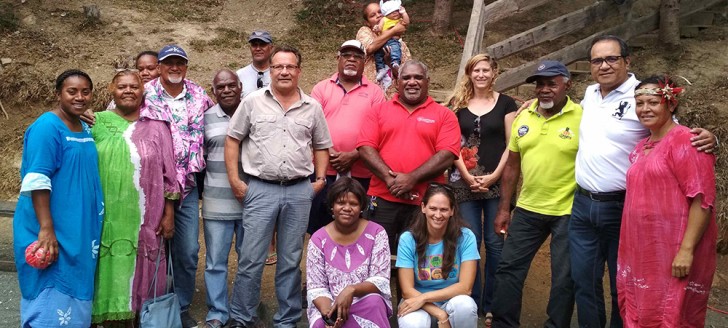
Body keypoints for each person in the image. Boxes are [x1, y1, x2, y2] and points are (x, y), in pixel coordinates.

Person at [570, 35, 716, 328]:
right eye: (597, 60)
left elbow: (695, 177)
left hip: (621, 207)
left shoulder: (643, 96)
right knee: (584, 280)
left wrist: (713, 140)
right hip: (584, 205)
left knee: (624, 283)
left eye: (612, 58)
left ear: (627, 61)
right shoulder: (589, 94)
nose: (605, 65)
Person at [225, 45, 333, 327]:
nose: (284, 71)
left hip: (299, 191)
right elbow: (233, 139)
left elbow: (322, 145)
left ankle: (286, 319)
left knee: (290, 259)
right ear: (270, 70)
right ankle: (241, 317)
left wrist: (320, 180)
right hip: (260, 189)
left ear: (298, 71)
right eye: (278, 67)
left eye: (290, 66)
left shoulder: (313, 107)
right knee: (250, 259)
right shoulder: (252, 101)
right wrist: (236, 181)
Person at [617, 76, 717, 327]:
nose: (644, 109)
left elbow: (702, 200)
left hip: (673, 248)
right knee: (642, 308)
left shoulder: (687, 141)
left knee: (669, 312)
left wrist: (686, 250)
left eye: (652, 102)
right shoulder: (642, 146)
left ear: (671, 105)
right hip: (642, 247)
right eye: (639, 103)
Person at [491, 60, 579, 327]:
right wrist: (505, 208)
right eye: (540, 84)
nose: (544, 89)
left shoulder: (583, 117)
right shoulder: (524, 118)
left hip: (568, 211)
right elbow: (512, 167)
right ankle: (504, 324)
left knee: (564, 276)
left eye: (552, 83)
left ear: (567, 84)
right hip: (528, 209)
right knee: (509, 270)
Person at [14, 69, 104, 327]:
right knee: (51, 290)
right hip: (52, 227)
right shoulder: (47, 127)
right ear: (58, 94)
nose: (79, 97)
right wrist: (46, 228)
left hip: (78, 231)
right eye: (72, 91)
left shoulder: (83, 125)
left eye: (85, 92)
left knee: (75, 293)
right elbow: (38, 180)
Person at [90, 68, 179, 326]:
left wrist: (168, 214)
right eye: (122, 86)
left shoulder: (158, 126)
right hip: (107, 216)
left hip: (146, 217)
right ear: (111, 90)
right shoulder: (94, 123)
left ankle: (143, 319)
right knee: (107, 267)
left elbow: (169, 173)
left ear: (143, 92)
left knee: (145, 270)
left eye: (134, 86)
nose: (128, 91)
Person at [141, 44, 215, 328]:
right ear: (159, 66)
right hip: (150, 183)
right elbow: (116, 117)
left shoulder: (199, 94)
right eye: (168, 63)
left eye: (179, 63)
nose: (174, 68)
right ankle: (148, 303)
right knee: (150, 244)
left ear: (185, 66)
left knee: (187, 249)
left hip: (186, 185)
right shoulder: (144, 93)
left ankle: (180, 304)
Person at [356, 60, 460, 254]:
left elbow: (447, 155)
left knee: (417, 260)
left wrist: (412, 178)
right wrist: (391, 180)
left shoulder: (445, 115)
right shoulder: (379, 110)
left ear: (427, 82)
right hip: (383, 197)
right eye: (406, 77)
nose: (412, 82)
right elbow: (365, 147)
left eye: (418, 77)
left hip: (427, 203)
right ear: (397, 82)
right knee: (377, 257)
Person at [446, 53, 516, 323]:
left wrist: (494, 175)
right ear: (469, 73)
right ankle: (470, 300)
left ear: (494, 72)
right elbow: (452, 144)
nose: (481, 75)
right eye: (476, 70)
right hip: (463, 184)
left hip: (496, 184)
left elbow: (512, 145)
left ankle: (493, 304)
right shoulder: (457, 103)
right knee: (469, 243)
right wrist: (466, 175)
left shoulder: (506, 104)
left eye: (486, 70)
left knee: (496, 244)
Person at [307, 39, 386, 235]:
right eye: (346, 55)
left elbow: (379, 129)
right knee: (320, 225)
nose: (351, 59)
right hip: (324, 171)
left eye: (357, 56)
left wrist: (354, 154)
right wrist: (329, 152)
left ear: (365, 61)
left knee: (356, 225)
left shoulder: (375, 92)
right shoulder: (321, 88)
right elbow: (310, 125)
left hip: (361, 172)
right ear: (338, 58)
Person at [306, 177, 392, 328]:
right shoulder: (318, 239)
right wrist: (330, 316)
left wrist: (351, 290)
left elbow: (380, 280)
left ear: (361, 207)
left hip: (365, 301)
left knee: (375, 302)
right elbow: (316, 287)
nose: (347, 208)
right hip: (328, 306)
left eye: (353, 203)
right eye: (341, 203)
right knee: (321, 323)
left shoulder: (377, 233)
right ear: (332, 205)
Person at [396, 183, 479, 328]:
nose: (438, 215)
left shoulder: (465, 236)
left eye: (444, 209)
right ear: (423, 208)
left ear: (452, 211)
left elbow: (465, 287)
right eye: (433, 208)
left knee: (465, 306)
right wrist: (440, 314)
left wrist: (425, 297)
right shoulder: (408, 239)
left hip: (450, 301)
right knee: (414, 323)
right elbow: (407, 290)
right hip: (418, 304)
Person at [201, 70, 246, 328]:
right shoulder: (204, 118)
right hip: (216, 202)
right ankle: (217, 313)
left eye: (232, 85)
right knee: (215, 262)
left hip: (251, 201)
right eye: (221, 87)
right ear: (214, 91)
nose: (227, 90)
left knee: (247, 261)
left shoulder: (253, 112)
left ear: (240, 87)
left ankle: (241, 311)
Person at [356, 1, 411, 97]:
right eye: (372, 15)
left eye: (380, 12)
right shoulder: (365, 32)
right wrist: (393, 31)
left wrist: (390, 63)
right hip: (369, 93)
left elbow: (405, 74)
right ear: (367, 22)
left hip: (393, 95)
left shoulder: (399, 43)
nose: (378, 16)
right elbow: (369, 49)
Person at [373, 0, 410, 86]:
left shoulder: (399, 20)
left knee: (396, 50)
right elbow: (379, 28)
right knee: (378, 54)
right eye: (392, 12)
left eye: (396, 11)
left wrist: (404, 13)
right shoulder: (384, 19)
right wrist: (377, 28)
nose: (395, 13)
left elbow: (407, 22)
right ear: (386, 13)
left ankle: (395, 62)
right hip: (383, 43)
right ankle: (381, 69)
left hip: (393, 41)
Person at [237, 29, 273, 98]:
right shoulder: (239, 75)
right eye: (254, 45)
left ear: (271, 48)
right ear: (250, 48)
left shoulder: (278, 74)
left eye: (262, 45)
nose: (258, 49)